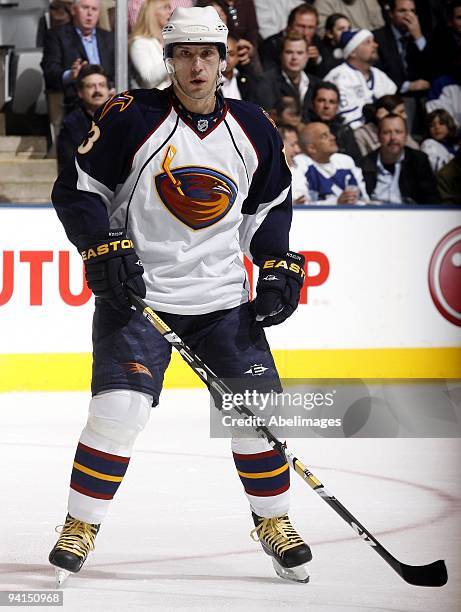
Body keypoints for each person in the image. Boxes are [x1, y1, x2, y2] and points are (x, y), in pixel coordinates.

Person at [48, 6, 311, 586]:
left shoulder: (254, 126)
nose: (196, 66)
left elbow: (270, 207)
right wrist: (102, 247)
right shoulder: (131, 116)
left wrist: (275, 262)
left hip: (221, 300)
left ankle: (274, 521)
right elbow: (78, 188)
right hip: (139, 298)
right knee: (119, 413)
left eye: (207, 54)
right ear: (168, 60)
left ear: (224, 60)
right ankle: (80, 523)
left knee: (259, 415)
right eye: (184, 54)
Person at [41, 0, 115, 113]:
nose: (90, 13)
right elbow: (50, 71)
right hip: (75, 100)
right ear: (73, 10)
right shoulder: (56, 36)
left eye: (94, 9)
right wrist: (70, 75)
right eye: (85, 8)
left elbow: (124, 71)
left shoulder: (110, 38)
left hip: (109, 99)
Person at [324, 29, 397, 128]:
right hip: (355, 134)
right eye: (368, 42)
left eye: (373, 41)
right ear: (353, 52)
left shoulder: (379, 75)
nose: (375, 45)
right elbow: (345, 118)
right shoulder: (339, 77)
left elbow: (396, 106)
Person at [361, 114, 439, 204]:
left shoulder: (418, 161)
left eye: (398, 132)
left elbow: (432, 200)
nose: (393, 137)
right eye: (386, 132)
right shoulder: (365, 163)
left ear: (406, 136)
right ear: (378, 136)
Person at [295, 122, 368, 204]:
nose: (333, 137)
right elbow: (301, 204)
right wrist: (336, 202)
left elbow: (364, 198)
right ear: (311, 148)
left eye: (330, 133)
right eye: (324, 136)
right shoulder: (300, 163)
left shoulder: (345, 161)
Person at [57, 64, 111, 170]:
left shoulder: (123, 119)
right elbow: (69, 166)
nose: (97, 90)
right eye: (91, 86)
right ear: (80, 93)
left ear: (109, 91)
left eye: (102, 85)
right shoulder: (71, 124)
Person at [257, 31, 320, 120]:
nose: (294, 57)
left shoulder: (316, 84)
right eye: (289, 52)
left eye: (300, 53)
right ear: (281, 55)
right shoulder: (266, 82)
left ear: (307, 56)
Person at [304, 80, 362, 165]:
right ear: (312, 103)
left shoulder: (344, 131)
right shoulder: (303, 128)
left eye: (332, 102)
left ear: (337, 106)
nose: (326, 106)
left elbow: (357, 163)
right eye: (321, 100)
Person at [259, 4, 325, 76]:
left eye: (311, 27)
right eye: (301, 26)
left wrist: (318, 60)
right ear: (289, 26)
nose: (306, 32)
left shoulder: (316, 41)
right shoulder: (271, 45)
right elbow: (269, 76)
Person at [353, 93, 419, 156]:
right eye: (401, 112)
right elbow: (364, 162)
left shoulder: (400, 129)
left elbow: (416, 152)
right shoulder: (361, 134)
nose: (405, 116)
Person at [129, 0, 172, 89]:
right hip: (153, 100)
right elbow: (148, 79)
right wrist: (173, 57)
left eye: (169, 8)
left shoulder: (169, 40)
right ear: (152, 14)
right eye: (165, 8)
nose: (170, 12)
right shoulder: (139, 43)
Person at [220, 35, 265, 102]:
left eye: (231, 54)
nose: (227, 59)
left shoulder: (246, 79)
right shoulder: (209, 83)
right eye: (223, 54)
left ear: (238, 56)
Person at [420, 109, 459, 173]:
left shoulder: (455, 146)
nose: (437, 127)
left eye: (441, 123)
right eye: (432, 125)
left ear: (449, 125)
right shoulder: (429, 144)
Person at [314, 0, 384, 35]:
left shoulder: (369, 1)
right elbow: (323, 34)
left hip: (372, 45)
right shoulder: (323, 3)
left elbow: (381, 27)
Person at [277, 124, 308, 203]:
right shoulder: (263, 173)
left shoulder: (305, 165)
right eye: (292, 145)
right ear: (278, 145)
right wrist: (293, 205)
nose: (297, 150)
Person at [317, 12, 351, 76]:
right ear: (330, 33)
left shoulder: (353, 49)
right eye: (341, 29)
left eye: (349, 28)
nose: (347, 32)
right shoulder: (321, 50)